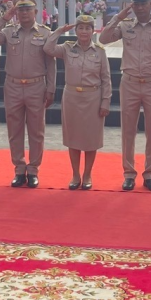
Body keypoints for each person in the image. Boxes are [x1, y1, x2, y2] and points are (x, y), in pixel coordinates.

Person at [99, 0, 151, 192]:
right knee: (128, 131)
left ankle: (150, 173)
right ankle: (129, 173)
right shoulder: (125, 26)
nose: (140, 7)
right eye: (136, 4)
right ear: (132, 6)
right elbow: (104, 39)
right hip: (130, 83)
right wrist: (118, 16)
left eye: (144, 3)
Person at [0, 0, 56, 188]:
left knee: (36, 130)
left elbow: (51, 64)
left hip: (36, 85)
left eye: (27, 9)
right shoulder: (9, 32)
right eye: (20, 9)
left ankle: (33, 169)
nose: (24, 13)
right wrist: (4, 18)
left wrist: (51, 88)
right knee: (14, 130)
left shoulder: (45, 33)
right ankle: (18, 168)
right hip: (13, 85)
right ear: (16, 12)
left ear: (35, 11)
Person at [44, 14, 111, 190]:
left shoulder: (100, 51)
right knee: (73, 138)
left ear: (92, 30)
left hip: (93, 98)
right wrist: (59, 30)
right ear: (76, 30)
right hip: (72, 97)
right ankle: (75, 174)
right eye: (80, 28)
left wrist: (105, 102)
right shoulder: (67, 48)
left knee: (91, 139)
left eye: (87, 28)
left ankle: (87, 174)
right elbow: (48, 48)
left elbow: (106, 79)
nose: (84, 31)